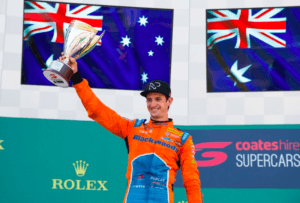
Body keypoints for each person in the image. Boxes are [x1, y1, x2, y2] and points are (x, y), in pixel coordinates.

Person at [59, 54, 203, 203]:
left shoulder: (182, 139)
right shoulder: (132, 127)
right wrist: (76, 77)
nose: (153, 104)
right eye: (149, 99)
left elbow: (191, 181)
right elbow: (97, 111)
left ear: (169, 101)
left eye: (158, 99)